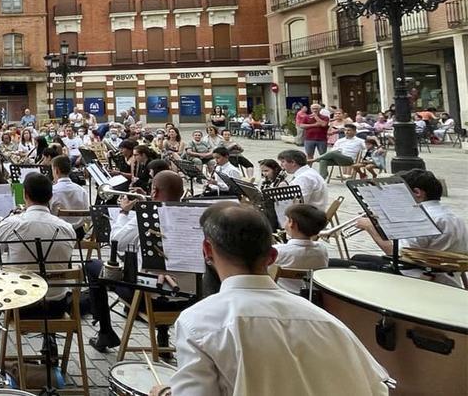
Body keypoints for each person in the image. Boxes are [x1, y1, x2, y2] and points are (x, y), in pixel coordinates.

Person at [150, 204, 389, 396]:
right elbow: (378, 388)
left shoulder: (199, 321)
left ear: (207, 250)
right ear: (272, 256)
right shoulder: (330, 323)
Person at [0, 173, 76, 359]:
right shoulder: (67, 228)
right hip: (57, 306)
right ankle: (49, 338)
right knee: (48, 274)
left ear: (25, 195)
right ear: (51, 197)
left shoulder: (12, 223)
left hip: (21, 304)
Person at [87, 170, 191, 352]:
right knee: (162, 270)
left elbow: (116, 242)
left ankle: (105, 333)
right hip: (187, 300)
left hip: (148, 297)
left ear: (155, 192)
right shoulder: (193, 217)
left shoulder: (144, 218)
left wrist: (123, 212)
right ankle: (163, 335)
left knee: (93, 266)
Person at [340, 169, 468, 287]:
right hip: (443, 274)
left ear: (417, 193)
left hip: (417, 276)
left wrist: (370, 228)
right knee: (358, 258)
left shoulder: (421, 218)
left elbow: (398, 255)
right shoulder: (452, 216)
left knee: (336, 265)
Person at [272, 203, 328, 294]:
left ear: (291, 223)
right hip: (311, 296)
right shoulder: (322, 249)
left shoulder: (277, 251)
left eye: (286, 220)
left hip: (283, 295)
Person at [48, 154, 89, 233]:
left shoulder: (52, 191)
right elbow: (86, 216)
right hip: (78, 233)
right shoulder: (81, 190)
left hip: (57, 233)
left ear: (56, 171)